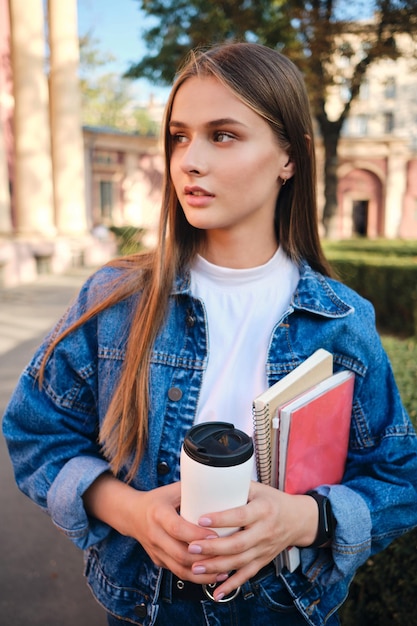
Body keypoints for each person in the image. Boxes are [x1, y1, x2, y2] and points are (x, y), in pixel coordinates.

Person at [3, 42, 417, 626]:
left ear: (289, 159)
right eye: (179, 135)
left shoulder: (342, 320)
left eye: (223, 135)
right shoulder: (117, 298)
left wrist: (302, 519)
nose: (189, 160)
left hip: (284, 609)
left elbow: (399, 476)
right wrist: (132, 513)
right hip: (143, 606)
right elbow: (35, 432)